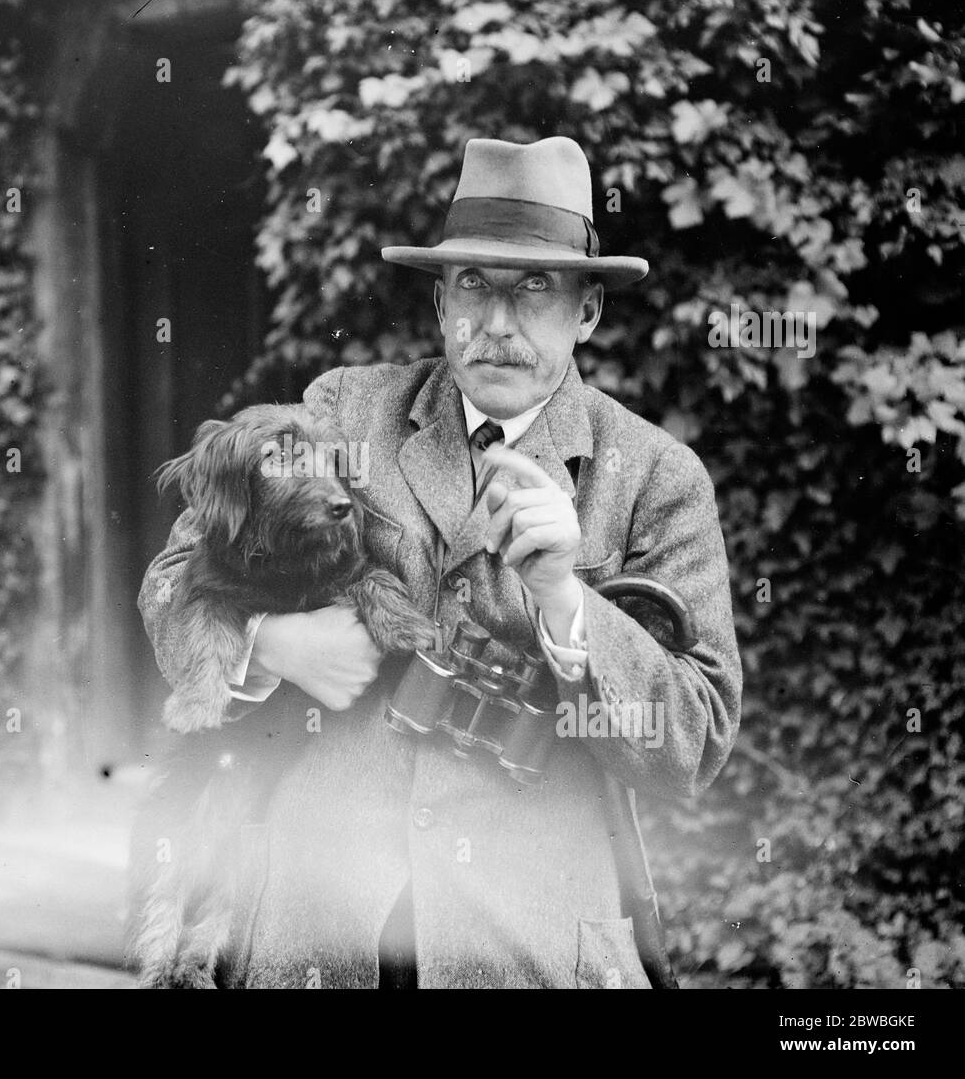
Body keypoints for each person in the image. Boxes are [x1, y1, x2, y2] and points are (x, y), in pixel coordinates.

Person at [138, 136, 742, 988]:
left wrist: (566, 599)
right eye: (473, 287)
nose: (496, 325)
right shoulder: (347, 411)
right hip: (317, 927)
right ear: (437, 301)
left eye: (535, 290)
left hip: (528, 942)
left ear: (589, 311)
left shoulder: (654, 477)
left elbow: (695, 743)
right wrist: (269, 646)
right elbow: (170, 583)